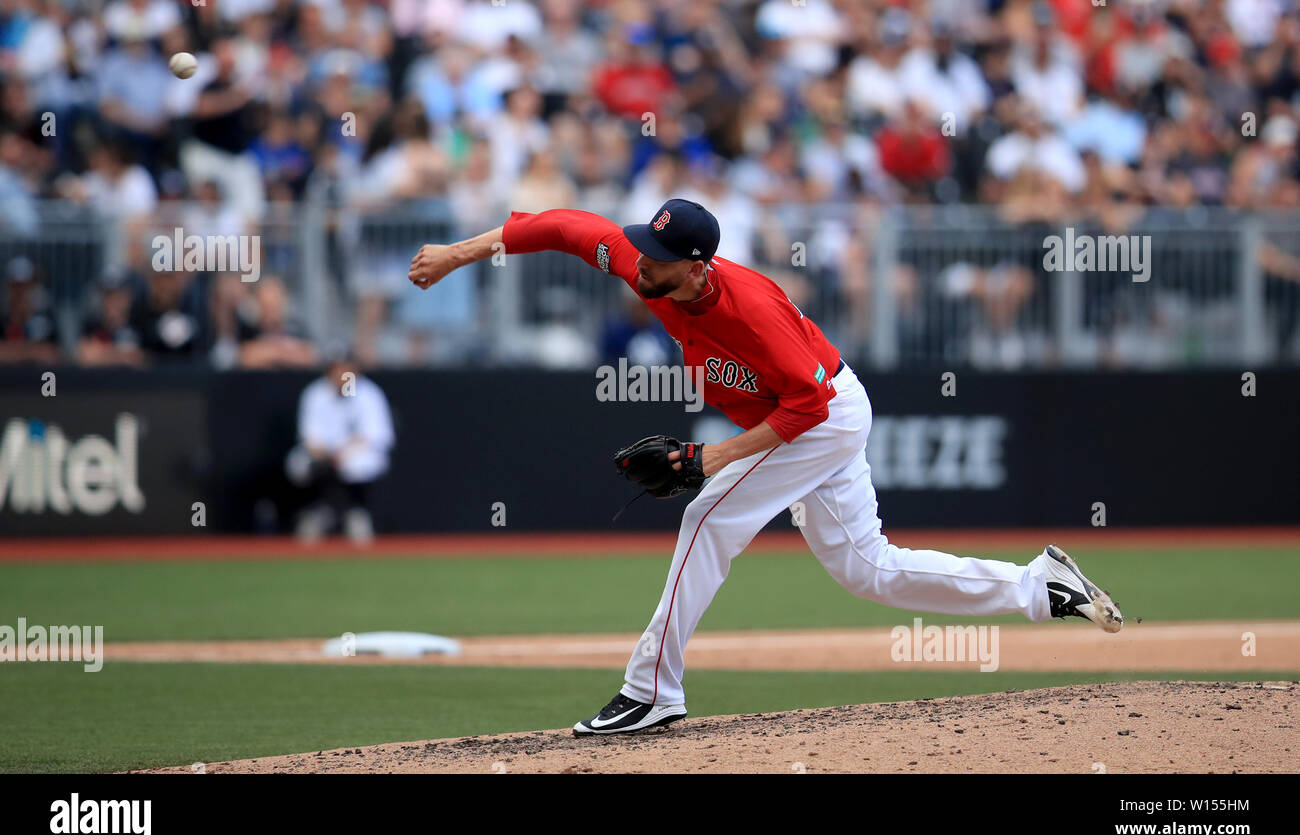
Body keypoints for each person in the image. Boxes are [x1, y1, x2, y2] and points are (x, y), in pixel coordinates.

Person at [407, 198, 1125, 737]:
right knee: (867, 569)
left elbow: (806, 404)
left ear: (695, 266)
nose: (637, 261)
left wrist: (712, 456)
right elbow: (564, 227)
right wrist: (459, 252)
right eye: (641, 249)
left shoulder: (749, 312)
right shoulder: (649, 267)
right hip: (818, 404)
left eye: (654, 255)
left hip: (822, 411)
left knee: (707, 513)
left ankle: (652, 688)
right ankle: (1039, 586)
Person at [286, 354, 395, 545]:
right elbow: (310, 437)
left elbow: (376, 435)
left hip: (354, 453)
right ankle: (322, 512)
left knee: (360, 463)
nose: (343, 374)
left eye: (347, 369)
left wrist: (343, 453)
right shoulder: (316, 393)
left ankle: (355, 513)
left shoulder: (367, 393)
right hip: (324, 454)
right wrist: (329, 455)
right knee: (299, 463)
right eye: (337, 369)